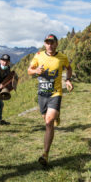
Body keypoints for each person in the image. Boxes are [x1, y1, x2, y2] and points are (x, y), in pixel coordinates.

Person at [28, 34, 73, 166]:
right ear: (45, 44)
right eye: (47, 42)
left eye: (52, 42)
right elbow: (29, 71)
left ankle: (45, 154)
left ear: (56, 44)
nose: (50, 45)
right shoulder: (38, 56)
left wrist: (68, 80)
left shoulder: (62, 57)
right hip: (42, 94)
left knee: (48, 122)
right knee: (46, 118)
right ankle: (56, 116)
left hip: (55, 93)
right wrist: (36, 70)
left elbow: (68, 68)